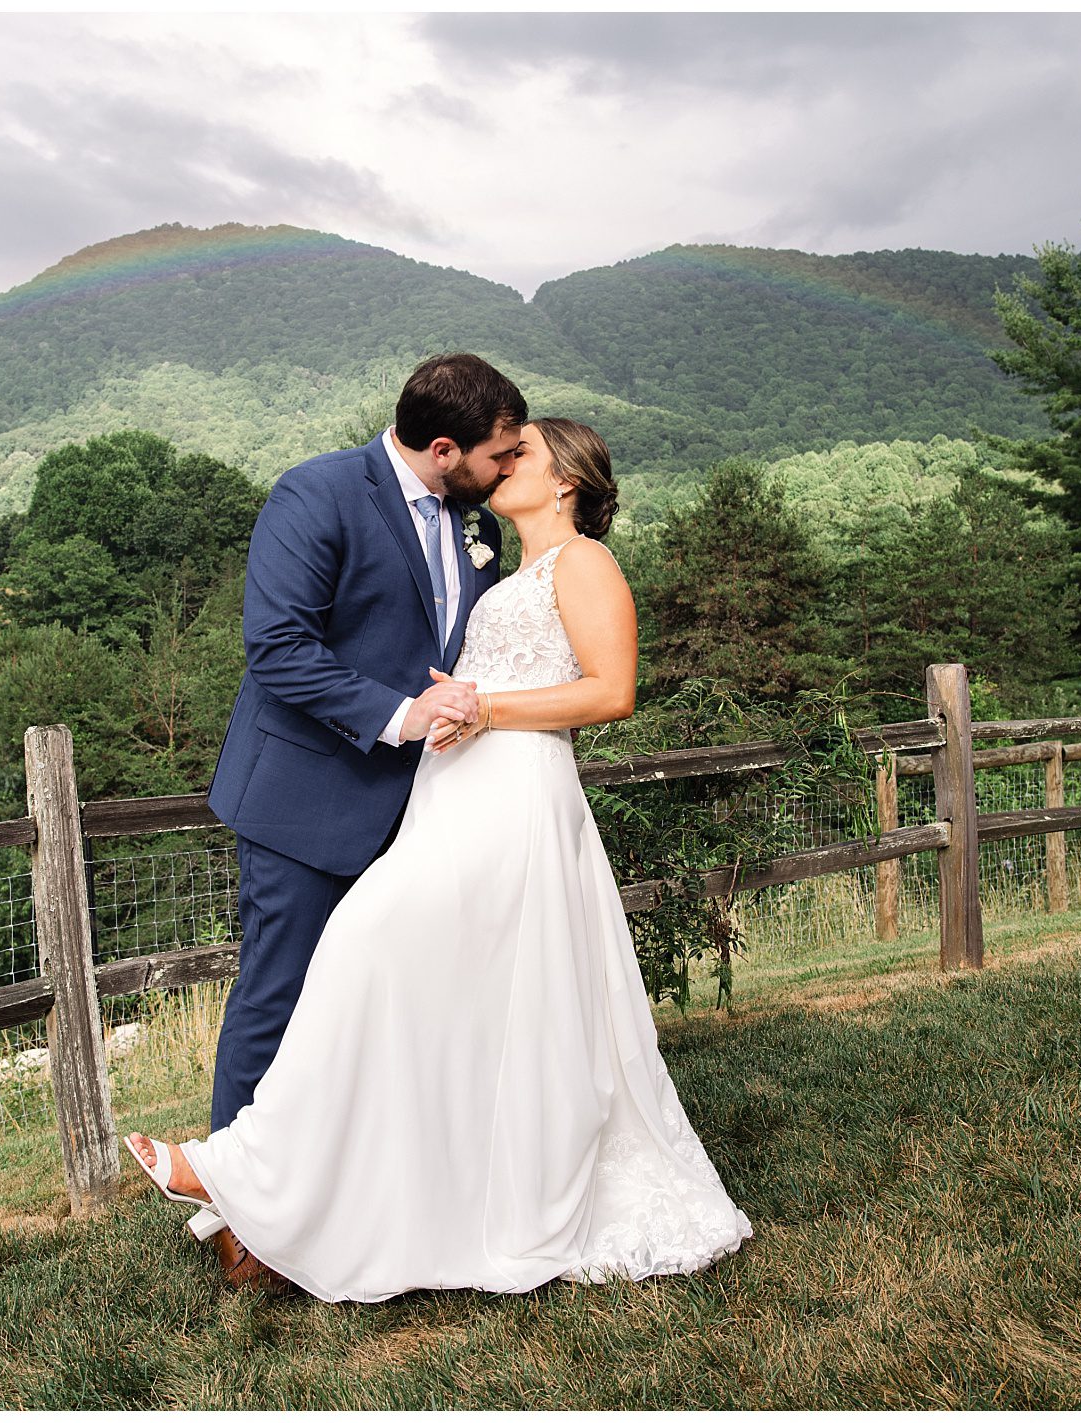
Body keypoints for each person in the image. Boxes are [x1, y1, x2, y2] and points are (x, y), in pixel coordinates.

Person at [129, 417, 752, 1302]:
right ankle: (369, 1195)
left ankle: (238, 1169)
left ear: (566, 479)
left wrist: (487, 709)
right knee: (454, 1001)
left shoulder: (585, 564)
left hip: (516, 798)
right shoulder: (497, 554)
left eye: (522, 453)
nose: (504, 465)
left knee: (367, 946)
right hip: (449, 796)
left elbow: (612, 692)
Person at [194, 353, 526, 1284]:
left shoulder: (471, 524)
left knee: (377, 1006)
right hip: (305, 802)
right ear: (446, 446)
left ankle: (353, 1196)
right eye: (498, 456)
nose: (507, 472)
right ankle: (241, 1222)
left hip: (418, 811)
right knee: (279, 997)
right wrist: (403, 715)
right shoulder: (318, 493)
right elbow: (278, 648)